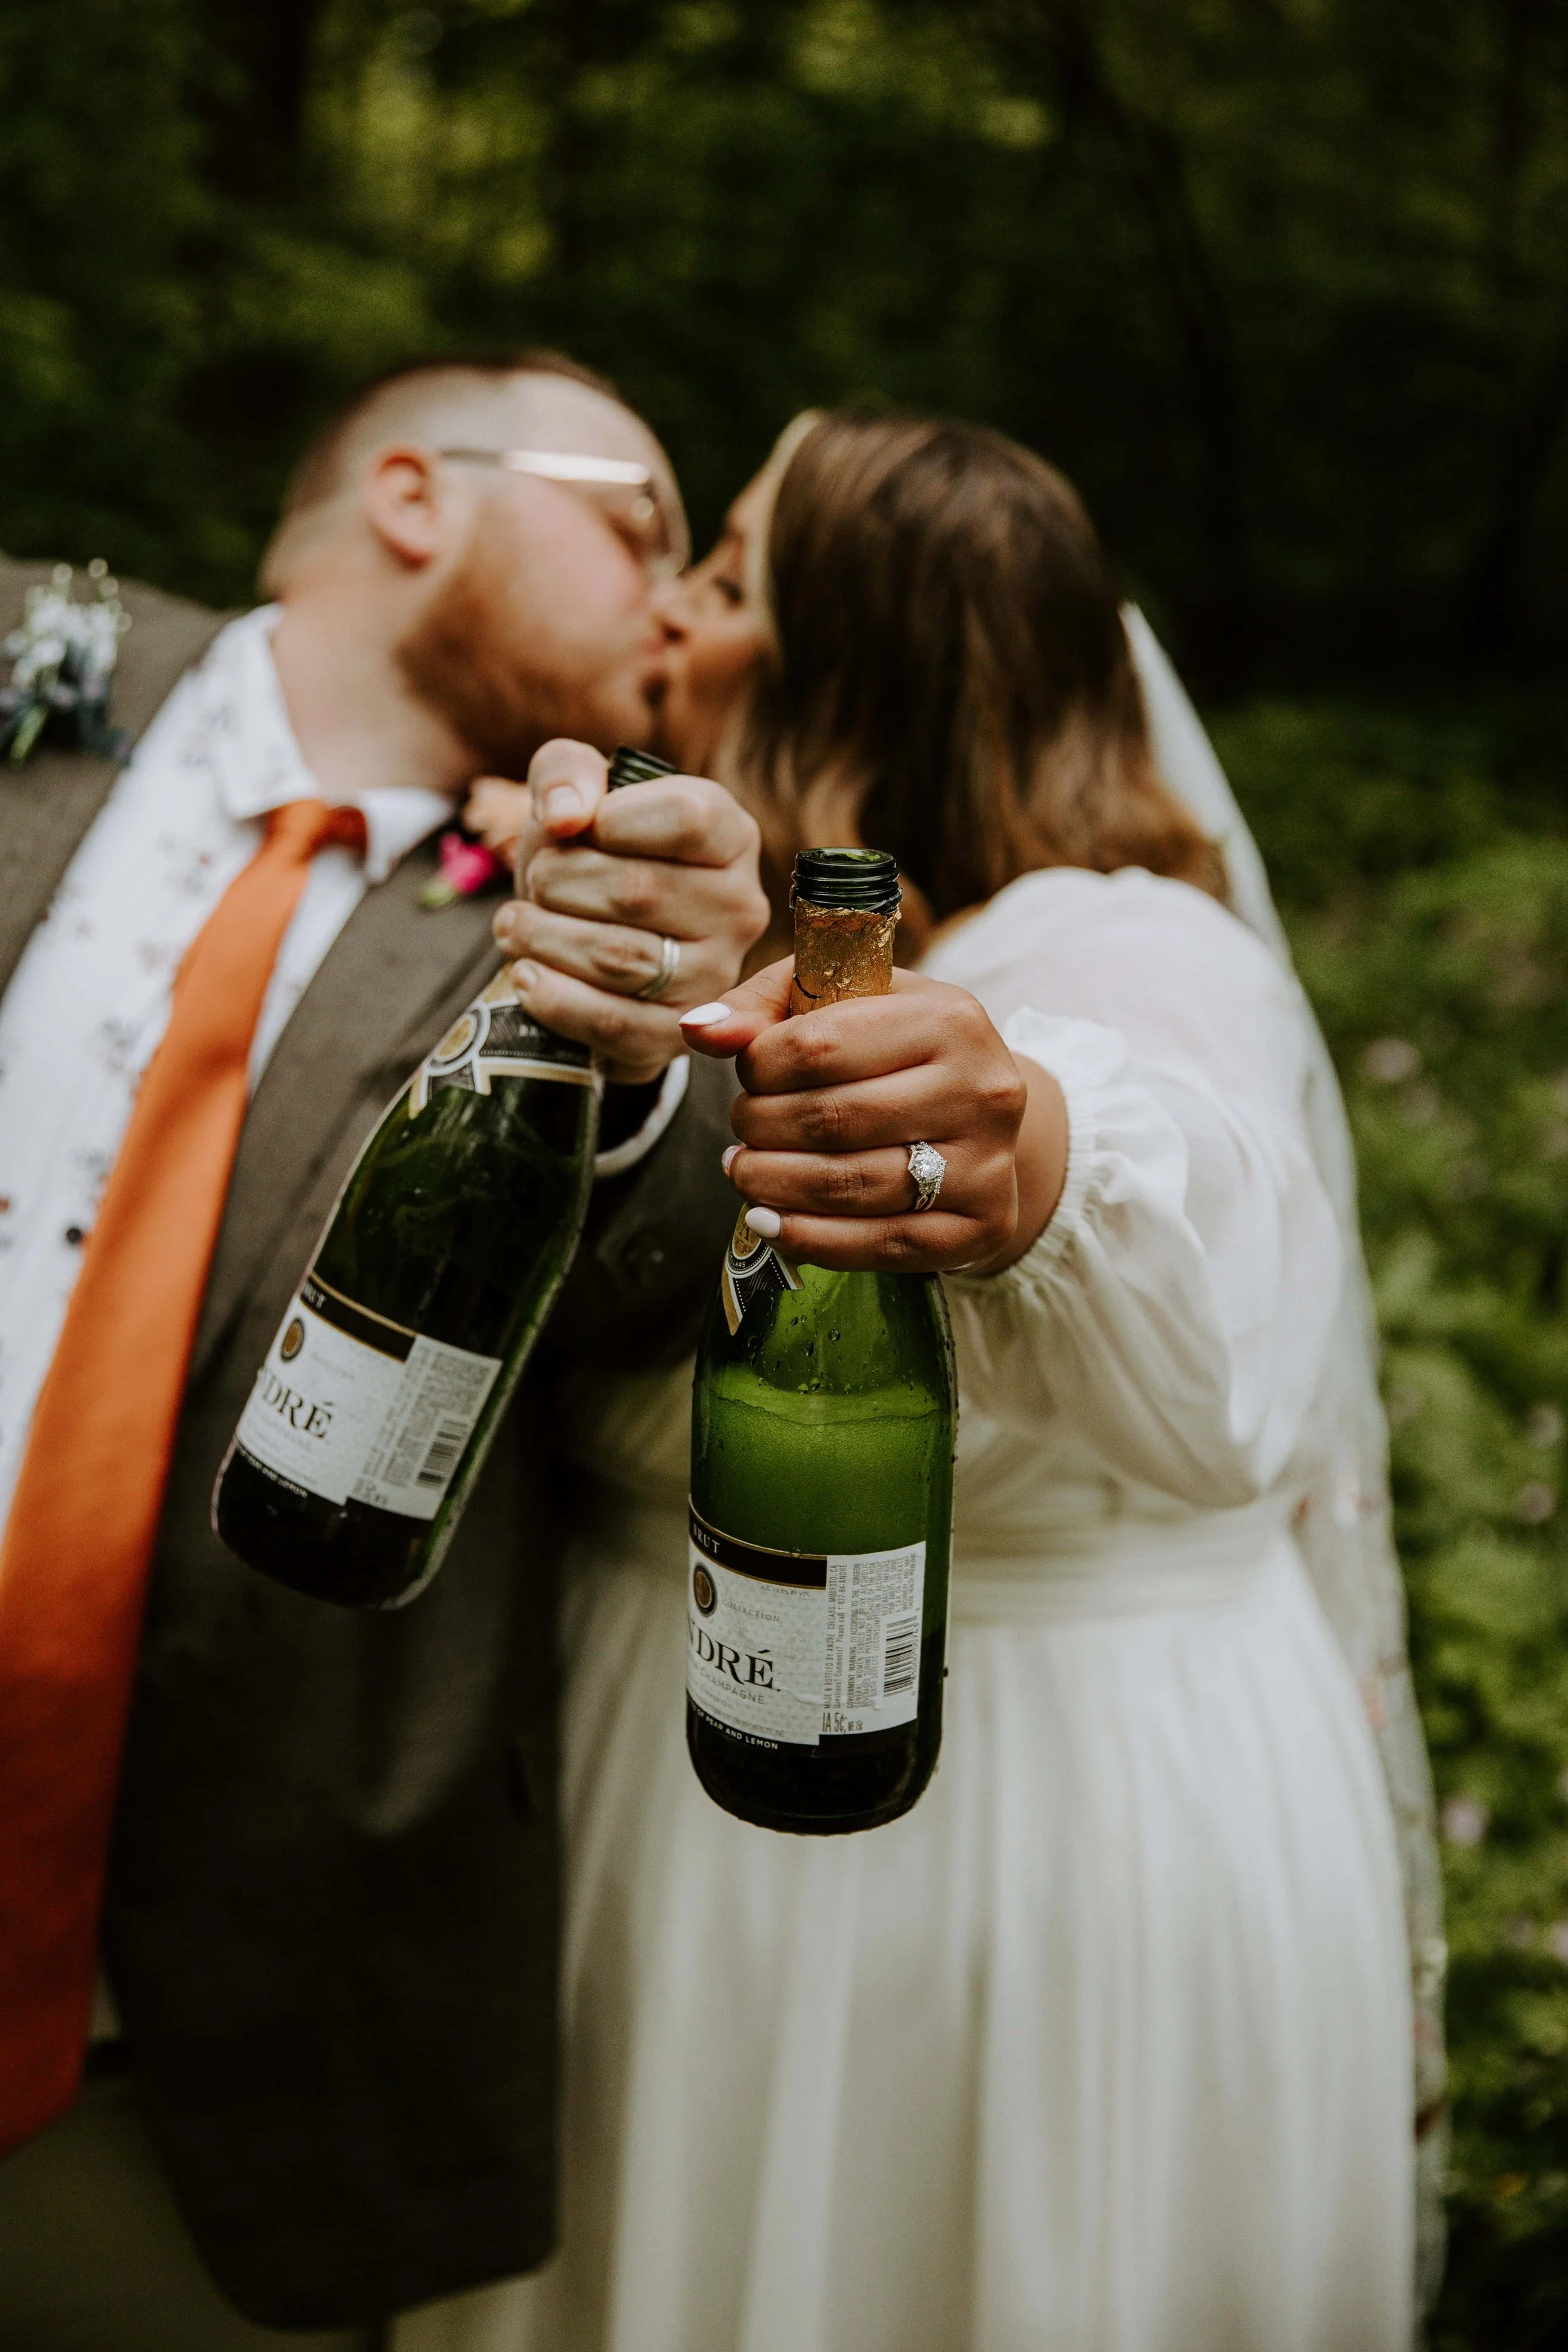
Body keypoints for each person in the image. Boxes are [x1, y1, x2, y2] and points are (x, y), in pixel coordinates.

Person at [440, 412, 1443, 2352]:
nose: (666, 608)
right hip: (663, 1790)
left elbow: (1223, 1258)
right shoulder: (686, 958)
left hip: (1029, 1841)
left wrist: (1038, 1168)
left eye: (726, 575)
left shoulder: (1128, 948)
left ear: (858, 660)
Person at [0, 352, 769, 2349]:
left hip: (182, 2053)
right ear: (419, 495)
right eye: (639, 522)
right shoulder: (33, 664)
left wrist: (634, 1048)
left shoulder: (568, 917)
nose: (681, 600)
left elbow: (653, 1281)